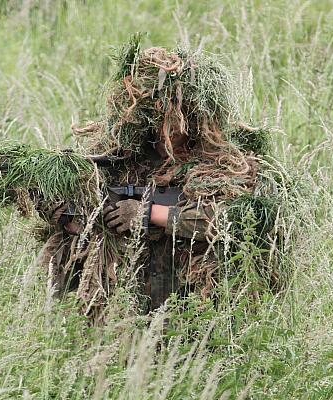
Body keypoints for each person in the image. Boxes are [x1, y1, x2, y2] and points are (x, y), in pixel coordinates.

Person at [37, 46, 270, 319]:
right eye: (158, 115)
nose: (167, 127)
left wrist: (148, 213)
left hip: (191, 304)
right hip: (124, 300)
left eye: (175, 116)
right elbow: (90, 207)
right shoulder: (118, 155)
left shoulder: (222, 162)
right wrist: (66, 216)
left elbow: (234, 221)